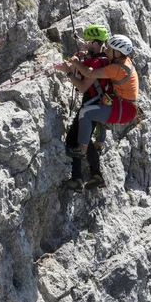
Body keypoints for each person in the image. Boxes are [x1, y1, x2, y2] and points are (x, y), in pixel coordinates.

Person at [65, 34, 139, 176]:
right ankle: (99, 143)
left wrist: (75, 63)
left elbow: (89, 73)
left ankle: (82, 149)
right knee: (96, 109)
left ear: (117, 53)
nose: (106, 52)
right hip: (124, 106)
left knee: (85, 113)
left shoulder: (117, 68)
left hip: (122, 110)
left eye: (109, 50)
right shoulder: (124, 61)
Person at [55, 24, 110, 192]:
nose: (85, 45)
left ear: (95, 43)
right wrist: (75, 62)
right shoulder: (103, 59)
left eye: (88, 42)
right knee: (83, 140)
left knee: (74, 140)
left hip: (91, 105)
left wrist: (69, 72)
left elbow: (82, 87)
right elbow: (81, 64)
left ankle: (78, 179)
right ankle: (94, 175)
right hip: (97, 104)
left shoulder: (97, 61)